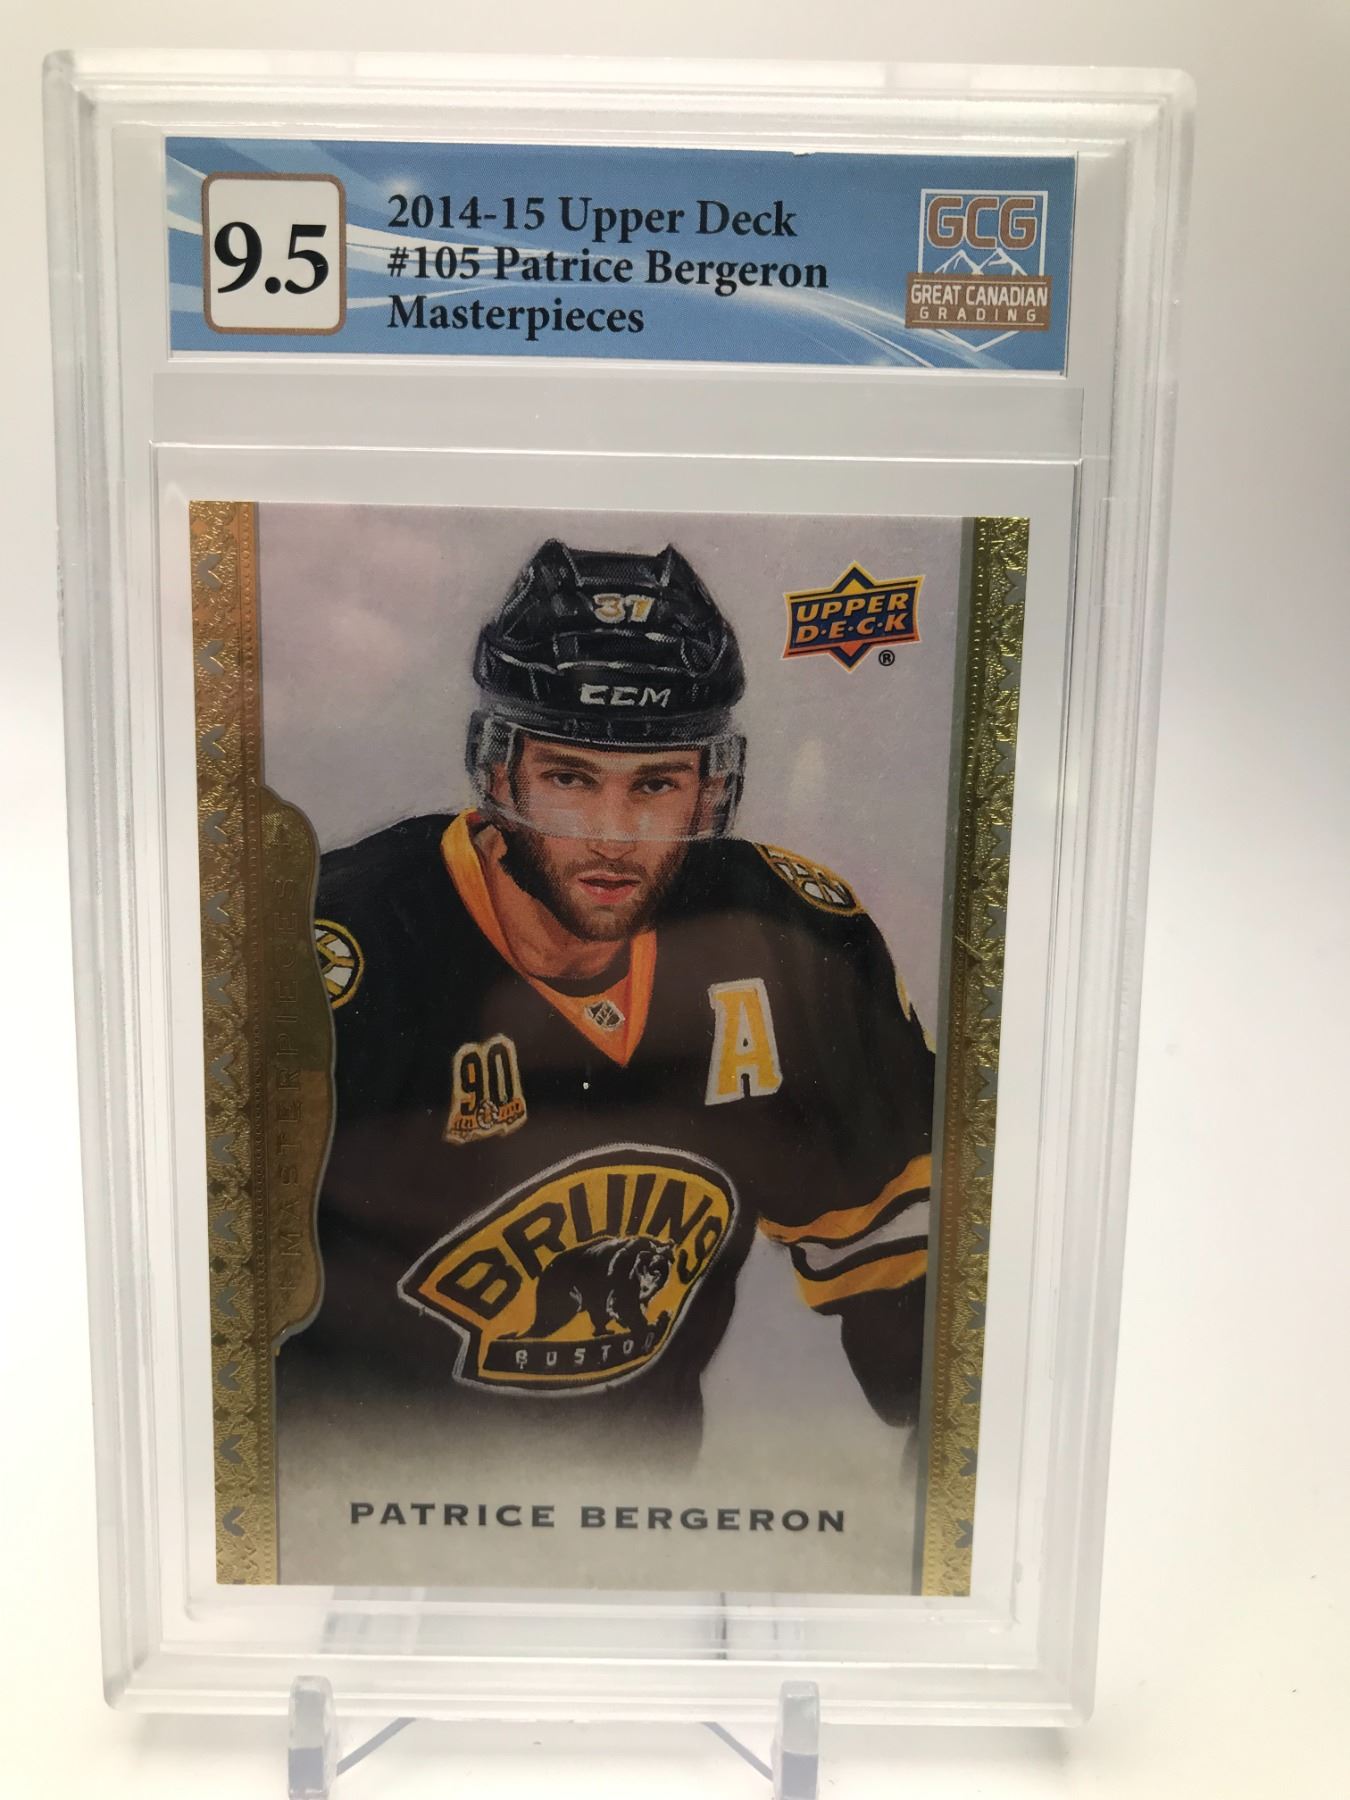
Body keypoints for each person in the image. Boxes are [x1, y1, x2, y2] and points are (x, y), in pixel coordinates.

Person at [278, 540, 935, 1468]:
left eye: (656, 784)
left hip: (637, 1520)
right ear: (498, 772)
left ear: (712, 786)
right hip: (355, 1506)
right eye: (569, 779)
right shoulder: (338, 950)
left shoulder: (793, 943)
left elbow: (924, 1302)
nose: (613, 837)